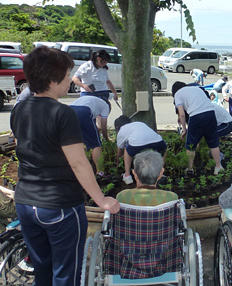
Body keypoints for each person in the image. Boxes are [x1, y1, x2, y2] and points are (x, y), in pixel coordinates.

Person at [11, 46, 119, 286]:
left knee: (43, 270)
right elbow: (79, 163)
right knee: (66, 274)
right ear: (53, 80)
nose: (71, 80)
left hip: (26, 203)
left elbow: (23, 149)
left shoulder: (19, 109)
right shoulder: (63, 113)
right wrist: (102, 200)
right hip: (60, 206)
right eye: (67, 75)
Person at [172, 82, 224, 174]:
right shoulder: (197, 88)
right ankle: (218, 167)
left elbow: (182, 115)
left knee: (190, 145)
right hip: (210, 113)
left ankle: (190, 169)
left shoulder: (177, 94)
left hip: (196, 116)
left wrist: (184, 130)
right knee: (213, 143)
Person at [114, 116, 167, 185]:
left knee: (127, 150)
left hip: (137, 143)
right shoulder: (139, 123)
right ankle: (159, 172)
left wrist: (117, 161)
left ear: (117, 127)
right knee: (164, 150)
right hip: (157, 141)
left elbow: (120, 149)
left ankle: (127, 176)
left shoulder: (121, 130)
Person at [70, 95, 111, 169]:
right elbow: (104, 126)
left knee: (74, 143)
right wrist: (106, 139)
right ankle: (99, 171)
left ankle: (74, 168)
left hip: (69, 110)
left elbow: (92, 126)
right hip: (83, 111)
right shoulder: (106, 106)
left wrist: (97, 129)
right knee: (96, 145)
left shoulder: (92, 100)